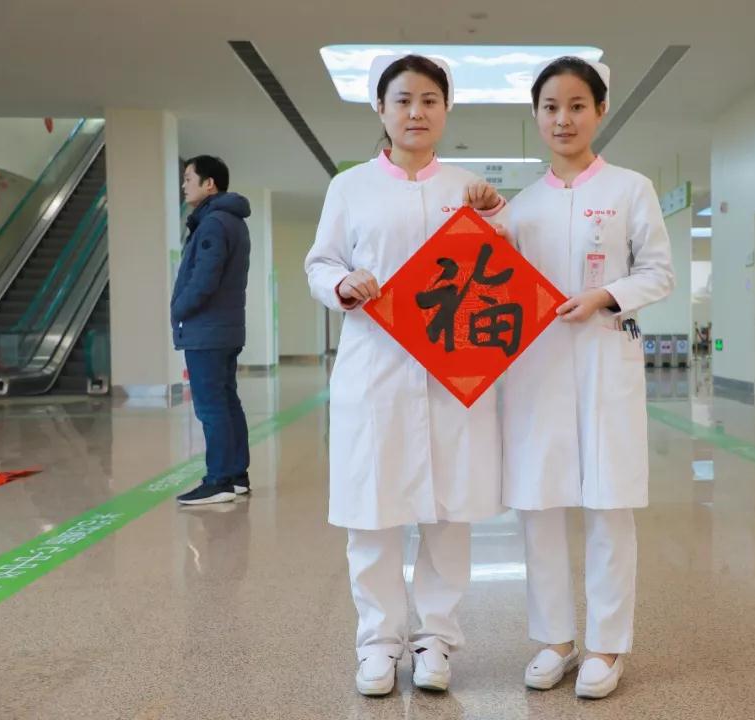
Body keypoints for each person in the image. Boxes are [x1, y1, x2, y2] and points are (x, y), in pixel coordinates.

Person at [304, 53, 507, 697]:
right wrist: (342, 282)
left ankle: (436, 639)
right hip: (377, 371)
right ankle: (378, 643)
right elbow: (320, 263)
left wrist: (496, 215)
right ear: (380, 108)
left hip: (453, 375)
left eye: (429, 100)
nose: (416, 112)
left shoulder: (469, 188)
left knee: (450, 513)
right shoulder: (350, 187)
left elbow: (503, 267)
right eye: (403, 100)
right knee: (373, 512)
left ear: (446, 109)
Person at [501, 56, 675, 699]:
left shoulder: (631, 189)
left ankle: (606, 644)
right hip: (536, 369)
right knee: (539, 503)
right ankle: (554, 640)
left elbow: (659, 272)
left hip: (605, 360)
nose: (563, 119)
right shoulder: (521, 208)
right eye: (550, 107)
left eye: (577, 105)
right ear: (536, 116)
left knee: (608, 502)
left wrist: (605, 296)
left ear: (600, 110)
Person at [173, 155, 252, 506]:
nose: (184, 185)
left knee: (210, 407)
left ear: (209, 184)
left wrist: (178, 308)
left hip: (208, 330)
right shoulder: (232, 221)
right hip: (225, 329)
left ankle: (218, 479)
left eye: (189, 179)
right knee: (226, 400)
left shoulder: (213, 224)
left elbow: (204, 279)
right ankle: (236, 475)